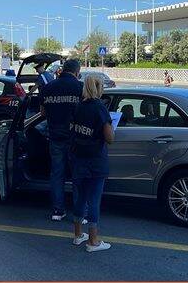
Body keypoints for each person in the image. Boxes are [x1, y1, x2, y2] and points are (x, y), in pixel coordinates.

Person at [71, 74, 114, 252]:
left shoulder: (79, 106)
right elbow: (109, 138)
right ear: (99, 87)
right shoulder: (100, 108)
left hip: (78, 158)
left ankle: (78, 235)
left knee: (81, 197)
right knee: (94, 200)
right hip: (95, 160)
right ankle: (93, 241)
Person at [40, 59, 84, 221]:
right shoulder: (80, 87)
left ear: (62, 70)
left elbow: (43, 113)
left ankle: (58, 211)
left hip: (55, 136)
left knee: (57, 174)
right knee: (77, 175)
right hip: (76, 138)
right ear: (77, 72)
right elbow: (87, 113)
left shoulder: (48, 87)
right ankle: (80, 213)